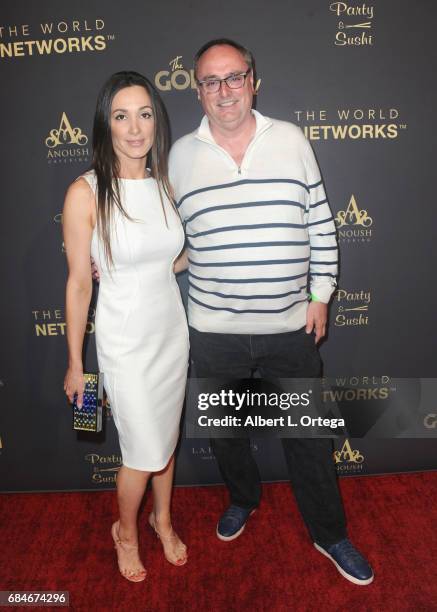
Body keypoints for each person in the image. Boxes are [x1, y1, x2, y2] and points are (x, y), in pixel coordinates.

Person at [169, 39, 374, 585]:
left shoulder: (291, 140)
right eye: (211, 82)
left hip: (289, 327)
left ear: (252, 79)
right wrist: (121, 263)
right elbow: (172, 243)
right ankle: (243, 498)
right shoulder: (180, 156)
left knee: (309, 438)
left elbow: (321, 223)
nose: (224, 91)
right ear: (198, 90)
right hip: (214, 331)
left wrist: (321, 294)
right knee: (227, 433)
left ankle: (331, 534)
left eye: (233, 77)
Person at [63, 71, 189, 583]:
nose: (135, 128)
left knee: (167, 442)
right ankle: (126, 532)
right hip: (124, 342)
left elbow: (172, 261)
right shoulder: (85, 192)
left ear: (155, 121)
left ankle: (163, 520)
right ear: (106, 124)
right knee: (141, 452)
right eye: (121, 115)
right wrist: (75, 363)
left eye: (144, 114)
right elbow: (77, 285)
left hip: (170, 335)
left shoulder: (164, 185)